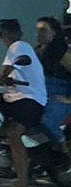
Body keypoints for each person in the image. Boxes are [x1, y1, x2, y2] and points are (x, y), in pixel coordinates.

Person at [0, 18, 46, 187]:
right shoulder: (20, 50)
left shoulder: (18, 46)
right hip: (16, 97)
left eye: (6, 33)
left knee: (14, 133)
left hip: (29, 99)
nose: (6, 37)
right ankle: (0, 159)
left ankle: (22, 186)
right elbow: (8, 75)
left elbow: (4, 72)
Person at [35, 16, 71, 145]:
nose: (38, 34)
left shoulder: (63, 53)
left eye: (43, 30)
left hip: (58, 95)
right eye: (37, 30)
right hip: (41, 94)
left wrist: (68, 99)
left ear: (54, 32)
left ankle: (64, 151)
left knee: (48, 123)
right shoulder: (38, 52)